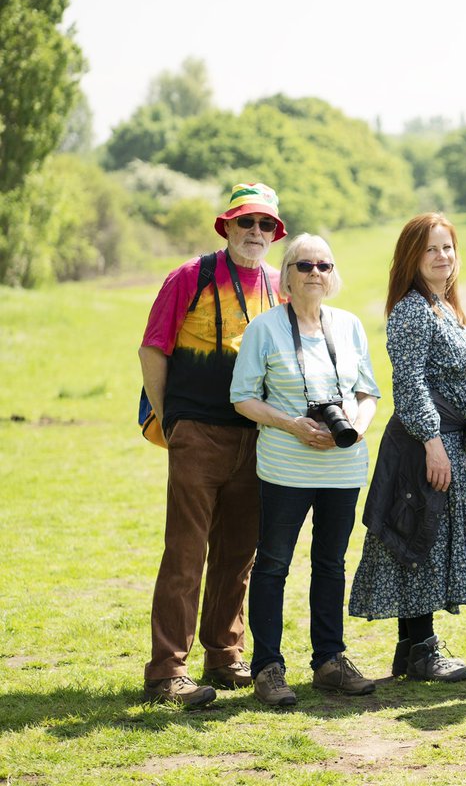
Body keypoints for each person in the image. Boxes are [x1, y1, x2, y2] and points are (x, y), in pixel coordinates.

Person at [138, 183, 284, 705]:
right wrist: (171, 419)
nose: (255, 232)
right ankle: (167, 673)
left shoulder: (278, 283)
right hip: (197, 434)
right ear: (227, 225)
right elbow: (152, 349)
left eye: (266, 224)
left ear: (276, 233)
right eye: (246, 222)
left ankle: (224, 655)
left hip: (257, 436)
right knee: (185, 550)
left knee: (238, 553)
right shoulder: (190, 276)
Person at [230, 234, 380, 706]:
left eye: (323, 265)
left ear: (332, 274)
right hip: (285, 466)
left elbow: (368, 392)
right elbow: (243, 398)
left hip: (343, 466)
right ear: (286, 276)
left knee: (330, 564)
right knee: (273, 564)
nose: (314, 272)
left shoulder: (350, 325)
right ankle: (268, 668)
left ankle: (329, 662)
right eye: (304, 265)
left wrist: (354, 426)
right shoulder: (265, 328)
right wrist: (292, 425)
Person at [349, 213, 466, 683]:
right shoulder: (412, 310)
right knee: (419, 535)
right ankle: (424, 650)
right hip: (421, 441)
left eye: (447, 247)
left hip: (446, 438)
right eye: (431, 249)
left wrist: (458, 439)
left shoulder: (444, 306)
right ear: (412, 257)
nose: (442, 257)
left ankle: (410, 650)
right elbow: (408, 384)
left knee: (426, 534)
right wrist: (433, 442)